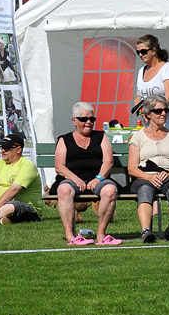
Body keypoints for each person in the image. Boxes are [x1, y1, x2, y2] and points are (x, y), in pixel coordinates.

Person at [49, 102, 121, 246]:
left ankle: (101, 235)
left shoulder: (101, 136)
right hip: (71, 179)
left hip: (98, 178)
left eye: (91, 119)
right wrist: (75, 179)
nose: (88, 122)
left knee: (110, 190)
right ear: (74, 121)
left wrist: (98, 178)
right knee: (64, 190)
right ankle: (71, 236)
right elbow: (59, 166)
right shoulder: (64, 140)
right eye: (83, 119)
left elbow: (108, 161)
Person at [128, 95, 169, 243]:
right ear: (148, 114)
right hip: (145, 176)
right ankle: (146, 231)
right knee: (145, 190)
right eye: (158, 111)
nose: (163, 114)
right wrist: (149, 177)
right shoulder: (138, 137)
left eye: (166, 110)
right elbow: (132, 168)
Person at [133, 34, 169, 133]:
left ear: (154, 50)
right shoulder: (141, 71)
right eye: (138, 52)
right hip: (150, 127)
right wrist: (142, 112)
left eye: (143, 51)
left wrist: (153, 111)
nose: (140, 55)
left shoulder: (167, 68)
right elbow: (137, 98)